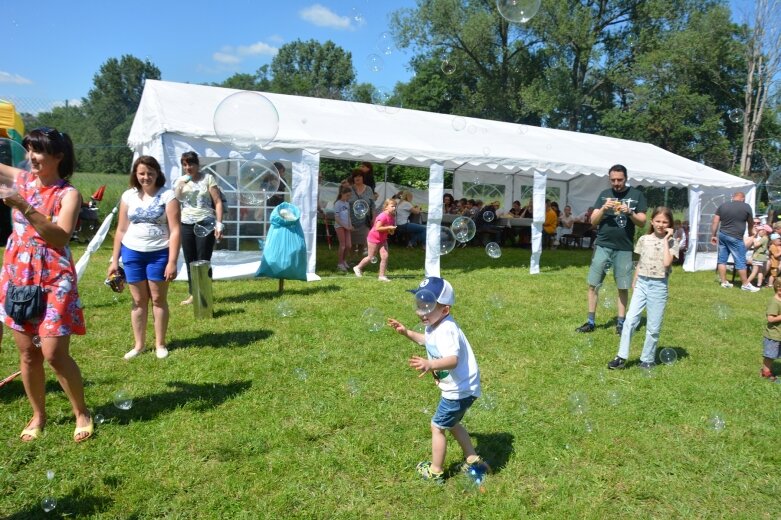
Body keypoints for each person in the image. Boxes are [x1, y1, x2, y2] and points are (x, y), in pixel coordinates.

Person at [0, 127, 91, 442]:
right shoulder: (22, 180)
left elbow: (60, 236)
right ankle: (38, 415)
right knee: (27, 353)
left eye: (38, 151)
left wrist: (23, 206)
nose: (31, 157)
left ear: (58, 156)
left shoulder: (69, 194)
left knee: (53, 353)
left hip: (54, 278)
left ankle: (82, 411)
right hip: (18, 275)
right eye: (28, 150)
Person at [387, 277, 487, 483]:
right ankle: (472, 457)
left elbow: (452, 359)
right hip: (462, 388)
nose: (420, 311)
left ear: (445, 310)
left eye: (428, 306)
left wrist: (430, 365)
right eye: (419, 305)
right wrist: (406, 332)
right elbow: (427, 341)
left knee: (437, 426)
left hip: (459, 390)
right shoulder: (434, 325)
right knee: (453, 423)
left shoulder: (447, 329)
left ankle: (436, 471)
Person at [109, 156, 181, 360]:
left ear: (157, 173)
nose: (146, 177)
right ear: (135, 174)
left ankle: (160, 344)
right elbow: (121, 229)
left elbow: (175, 230)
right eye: (141, 173)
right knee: (138, 300)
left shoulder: (168, 196)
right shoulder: (128, 196)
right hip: (132, 253)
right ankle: (139, 345)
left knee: (158, 299)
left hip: (159, 253)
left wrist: (172, 261)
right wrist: (114, 260)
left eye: (150, 173)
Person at [577, 164, 648, 334]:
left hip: (624, 248)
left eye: (620, 180)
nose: (616, 183)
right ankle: (590, 321)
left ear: (626, 178)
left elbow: (642, 221)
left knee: (622, 286)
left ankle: (621, 323)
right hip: (603, 245)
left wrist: (630, 212)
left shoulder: (636, 195)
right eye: (613, 180)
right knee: (593, 284)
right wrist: (603, 208)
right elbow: (593, 221)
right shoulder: (604, 195)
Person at [607, 207, 679, 370]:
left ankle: (647, 359)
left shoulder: (673, 242)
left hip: (659, 286)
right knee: (630, 320)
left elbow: (667, 263)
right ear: (652, 221)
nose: (661, 224)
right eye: (658, 221)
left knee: (653, 327)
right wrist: (635, 280)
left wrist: (667, 239)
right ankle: (621, 356)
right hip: (642, 284)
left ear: (670, 224)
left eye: (665, 222)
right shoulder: (644, 239)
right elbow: (640, 261)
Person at [173, 152, 223, 306]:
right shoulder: (180, 180)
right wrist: (179, 187)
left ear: (197, 164)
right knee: (190, 260)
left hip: (205, 223)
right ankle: (193, 294)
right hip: (186, 223)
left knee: (203, 260)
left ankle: (205, 293)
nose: (188, 167)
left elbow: (218, 201)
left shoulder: (207, 178)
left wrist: (219, 224)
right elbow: (176, 201)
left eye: (191, 164)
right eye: (185, 164)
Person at [711, 191, 759, 292]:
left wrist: (713, 235)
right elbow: (751, 223)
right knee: (740, 260)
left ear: (733, 197)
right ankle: (745, 285)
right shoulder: (746, 207)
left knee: (722, 259)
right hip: (735, 237)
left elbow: (715, 221)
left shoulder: (723, 206)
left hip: (723, 235)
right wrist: (751, 233)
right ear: (743, 198)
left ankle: (724, 282)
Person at [353, 198, 396, 281]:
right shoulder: (382, 216)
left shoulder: (392, 217)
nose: (394, 208)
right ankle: (357, 267)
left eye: (395, 206)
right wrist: (389, 227)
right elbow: (377, 228)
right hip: (374, 238)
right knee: (370, 257)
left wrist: (392, 230)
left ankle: (381, 276)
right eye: (392, 206)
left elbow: (390, 232)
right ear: (386, 207)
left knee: (385, 256)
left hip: (383, 239)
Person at [348, 169, 375, 255]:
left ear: (363, 178)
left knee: (362, 243)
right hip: (351, 221)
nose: (357, 178)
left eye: (359, 176)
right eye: (355, 176)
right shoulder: (349, 189)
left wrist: (374, 217)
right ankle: (351, 261)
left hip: (364, 221)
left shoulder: (369, 189)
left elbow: (372, 205)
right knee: (351, 244)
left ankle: (359, 262)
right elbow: (344, 203)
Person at [761, 277, 781, 382]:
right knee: (770, 356)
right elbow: (770, 318)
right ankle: (765, 373)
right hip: (773, 336)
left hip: (779, 335)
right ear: (779, 289)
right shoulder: (775, 302)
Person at [333, 186, 353, 271]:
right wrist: (345, 226)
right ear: (342, 194)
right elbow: (337, 218)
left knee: (349, 245)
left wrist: (350, 225)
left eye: (349, 196)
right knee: (343, 245)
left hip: (347, 227)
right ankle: (340, 263)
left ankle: (344, 260)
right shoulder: (338, 204)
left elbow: (348, 216)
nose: (348, 197)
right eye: (347, 195)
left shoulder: (347, 203)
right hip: (339, 226)